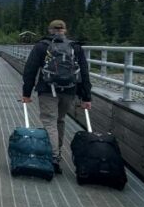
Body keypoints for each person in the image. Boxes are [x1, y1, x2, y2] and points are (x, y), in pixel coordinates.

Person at [21, 19, 92, 174]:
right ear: (64, 30)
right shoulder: (75, 47)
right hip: (69, 91)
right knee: (59, 120)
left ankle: (53, 158)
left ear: (50, 30)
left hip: (47, 90)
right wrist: (86, 97)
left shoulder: (42, 46)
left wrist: (26, 93)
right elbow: (84, 73)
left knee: (49, 122)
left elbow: (30, 70)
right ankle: (57, 153)